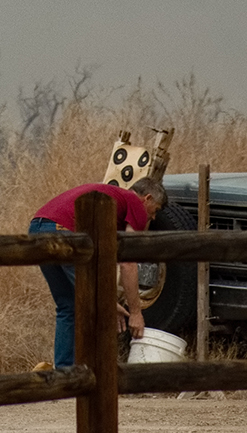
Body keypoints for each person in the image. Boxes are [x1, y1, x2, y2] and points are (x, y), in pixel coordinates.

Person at [29, 138, 154, 370]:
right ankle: (101, 372)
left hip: (37, 226)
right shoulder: (135, 204)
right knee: (96, 303)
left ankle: (65, 372)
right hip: (63, 231)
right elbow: (128, 262)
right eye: (154, 212)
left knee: (68, 305)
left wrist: (107, 299)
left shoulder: (113, 196)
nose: (151, 219)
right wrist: (135, 313)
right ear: (148, 199)